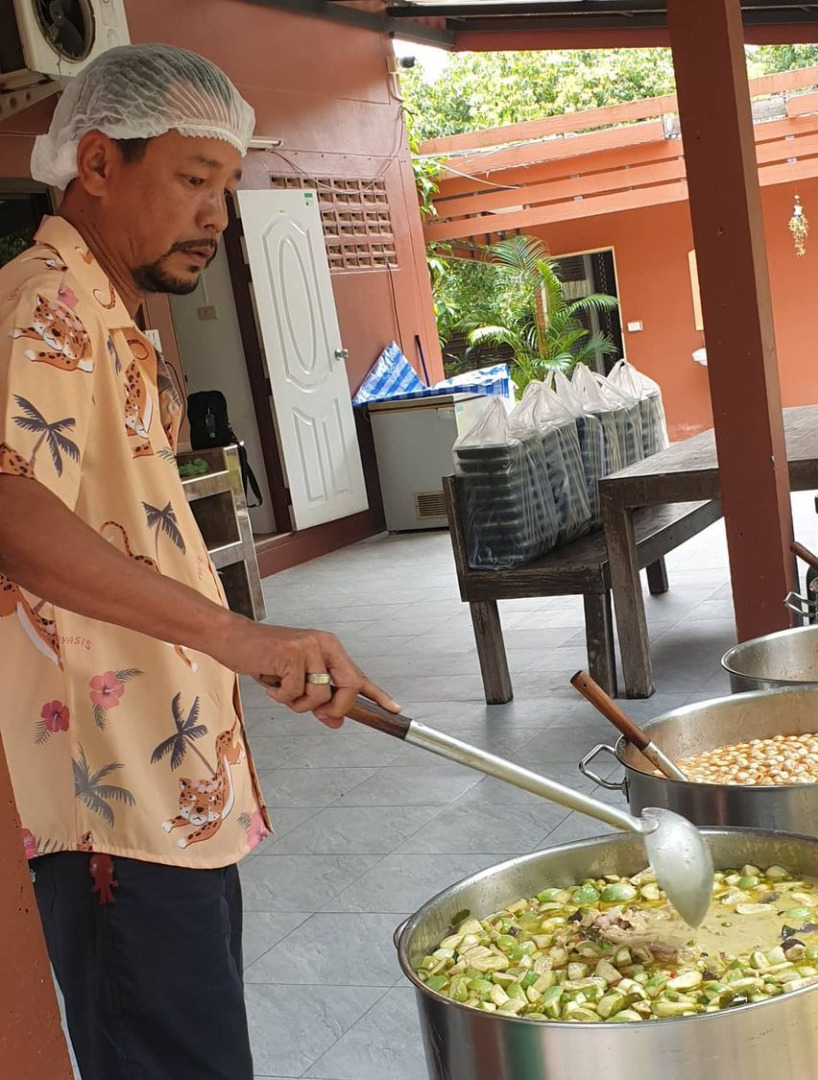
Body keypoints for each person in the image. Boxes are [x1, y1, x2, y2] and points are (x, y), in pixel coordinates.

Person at [0, 43, 398, 1080]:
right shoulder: (42, 302)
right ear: (96, 164)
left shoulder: (111, 316)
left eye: (226, 186)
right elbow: (8, 507)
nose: (219, 215)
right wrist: (234, 631)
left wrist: (235, 662)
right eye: (191, 180)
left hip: (171, 783)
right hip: (112, 804)